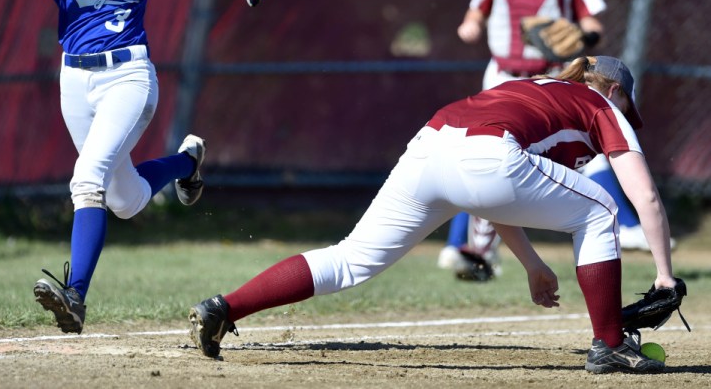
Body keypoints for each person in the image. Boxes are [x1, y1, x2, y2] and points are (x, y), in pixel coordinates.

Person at [187, 56, 675, 374]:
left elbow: (490, 193)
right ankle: (610, 344)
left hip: (432, 144)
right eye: (629, 109)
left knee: (350, 258)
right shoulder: (600, 104)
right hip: (485, 153)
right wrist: (665, 277)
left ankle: (224, 307)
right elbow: (645, 197)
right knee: (602, 209)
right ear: (615, 92)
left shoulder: (538, 89)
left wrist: (531, 263)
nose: (629, 122)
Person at [0, 0, 269, 334]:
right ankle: (187, 163)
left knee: (86, 179)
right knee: (125, 200)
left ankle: (75, 297)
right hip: (75, 78)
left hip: (129, 75)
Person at [438, 0, 655, 278]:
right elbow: (472, 18)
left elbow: (594, 25)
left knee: (582, 152)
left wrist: (582, 40)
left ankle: (624, 225)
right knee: (483, 155)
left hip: (551, 78)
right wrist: (470, 27)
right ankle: (467, 248)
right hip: (503, 76)